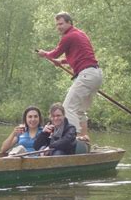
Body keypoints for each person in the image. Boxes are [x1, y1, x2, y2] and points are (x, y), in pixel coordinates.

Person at [37, 12, 102, 142]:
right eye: (57, 25)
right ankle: (84, 138)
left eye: (61, 24)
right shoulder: (80, 34)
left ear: (69, 23)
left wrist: (45, 54)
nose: (59, 27)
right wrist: (62, 61)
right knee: (79, 110)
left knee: (67, 108)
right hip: (96, 74)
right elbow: (81, 55)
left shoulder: (69, 37)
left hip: (86, 75)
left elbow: (54, 53)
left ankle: (74, 138)